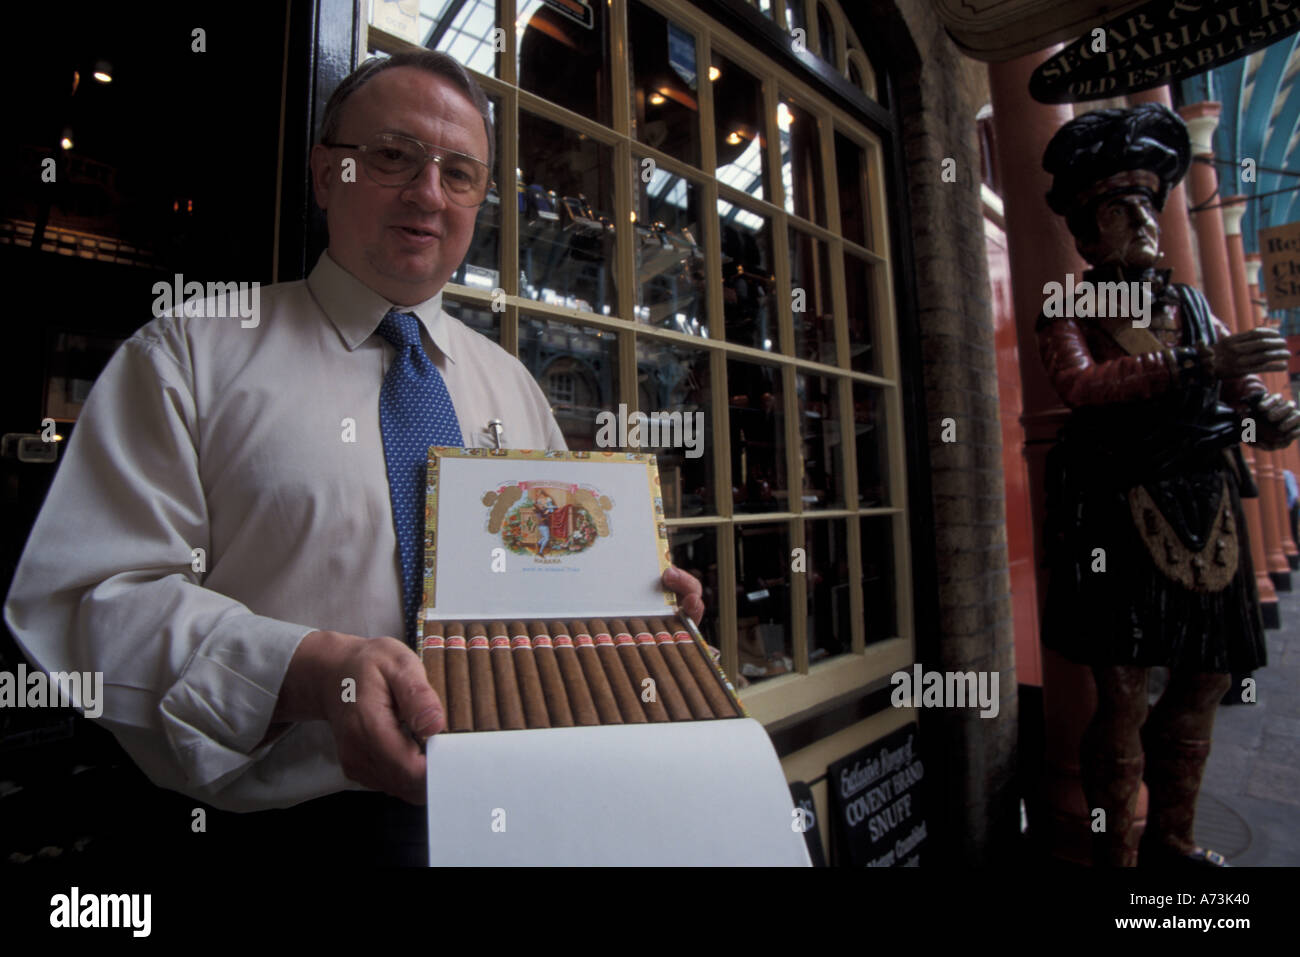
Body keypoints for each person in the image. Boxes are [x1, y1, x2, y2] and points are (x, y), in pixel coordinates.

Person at [3, 50, 704, 864]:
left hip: (508, 814)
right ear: (325, 172)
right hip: (260, 837)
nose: (428, 194)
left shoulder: (513, 390)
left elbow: (541, 578)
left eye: (461, 173)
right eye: (393, 156)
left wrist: (624, 607)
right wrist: (309, 671)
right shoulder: (189, 354)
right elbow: (86, 601)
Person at [1036, 104, 1300, 867]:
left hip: (1203, 499)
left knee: (1205, 679)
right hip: (1118, 504)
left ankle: (1173, 839)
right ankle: (1114, 850)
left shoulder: (1191, 304)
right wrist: (1196, 369)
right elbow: (1082, 386)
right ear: (1088, 232)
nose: (1144, 221)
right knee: (1120, 690)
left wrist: (1268, 409)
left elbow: (1238, 385)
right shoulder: (1071, 304)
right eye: (1121, 208)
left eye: (1149, 204)